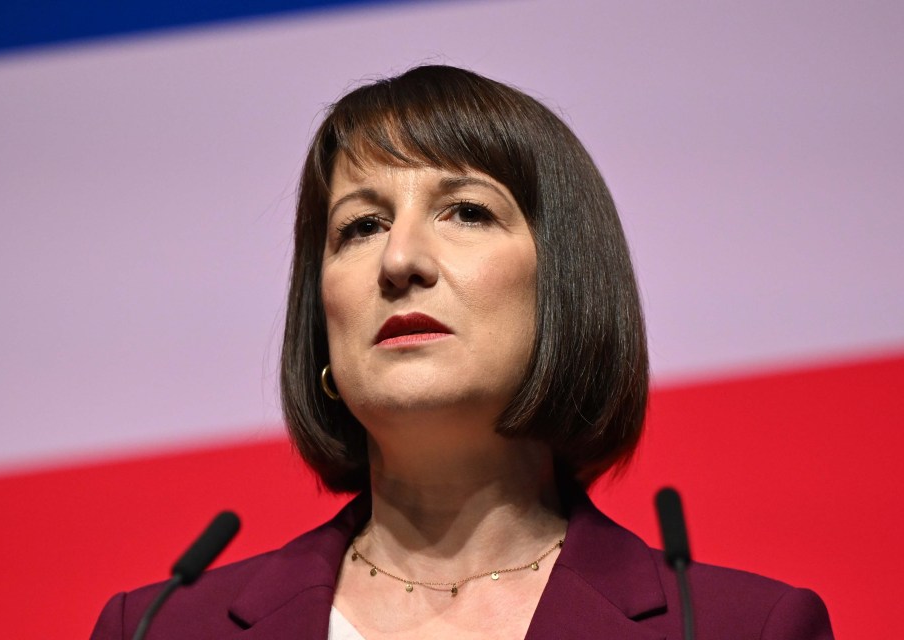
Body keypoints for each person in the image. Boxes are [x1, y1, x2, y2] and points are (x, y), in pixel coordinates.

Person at [91, 65, 833, 639]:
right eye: (359, 226)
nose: (399, 260)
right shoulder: (160, 628)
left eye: (467, 212)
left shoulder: (738, 628)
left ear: (563, 287)